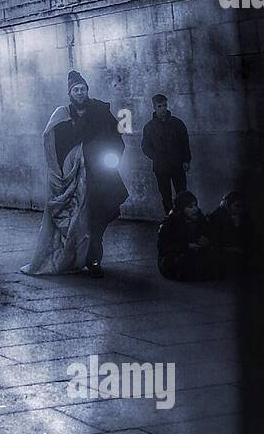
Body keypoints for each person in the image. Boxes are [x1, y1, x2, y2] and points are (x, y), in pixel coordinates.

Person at [23, 71, 128, 278]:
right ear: (70, 93)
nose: (80, 93)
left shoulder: (100, 111)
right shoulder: (63, 116)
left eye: (83, 89)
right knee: (77, 219)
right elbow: (56, 146)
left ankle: (94, 259)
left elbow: (116, 136)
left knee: (98, 217)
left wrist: (106, 155)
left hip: (99, 175)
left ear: (87, 91)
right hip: (73, 178)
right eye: (76, 90)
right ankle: (75, 256)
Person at [141, 94, 192, 216]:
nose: (163, 109)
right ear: (154, 107)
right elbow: (145, 146)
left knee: (182, 193)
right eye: (160, 106)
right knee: (166, 195)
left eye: (165, 105)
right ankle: (171, 219)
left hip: (177, 165)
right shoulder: (149, 127)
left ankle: (184, 218)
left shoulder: (177, 124)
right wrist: (156, 156)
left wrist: (186, 160)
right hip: (161, 167)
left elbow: (185, 143)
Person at [157, 191, 220, 281]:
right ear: (181, 209)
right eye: (190, 207)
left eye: (195, 206)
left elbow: (209, 236)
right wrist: (187, 246)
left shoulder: (199, 219)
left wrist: (207, 242)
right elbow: (163, 247)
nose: (195, 209)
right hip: (173, 259)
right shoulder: (169, 223)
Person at [207, 191, 259, 277]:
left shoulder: (245, 216)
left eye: (243, 206)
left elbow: (249, 237)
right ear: (228, 205)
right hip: (222, 250)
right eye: (237, 206)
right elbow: (216, 238)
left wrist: (237, 225)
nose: (240, 209)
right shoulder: (217, 216)